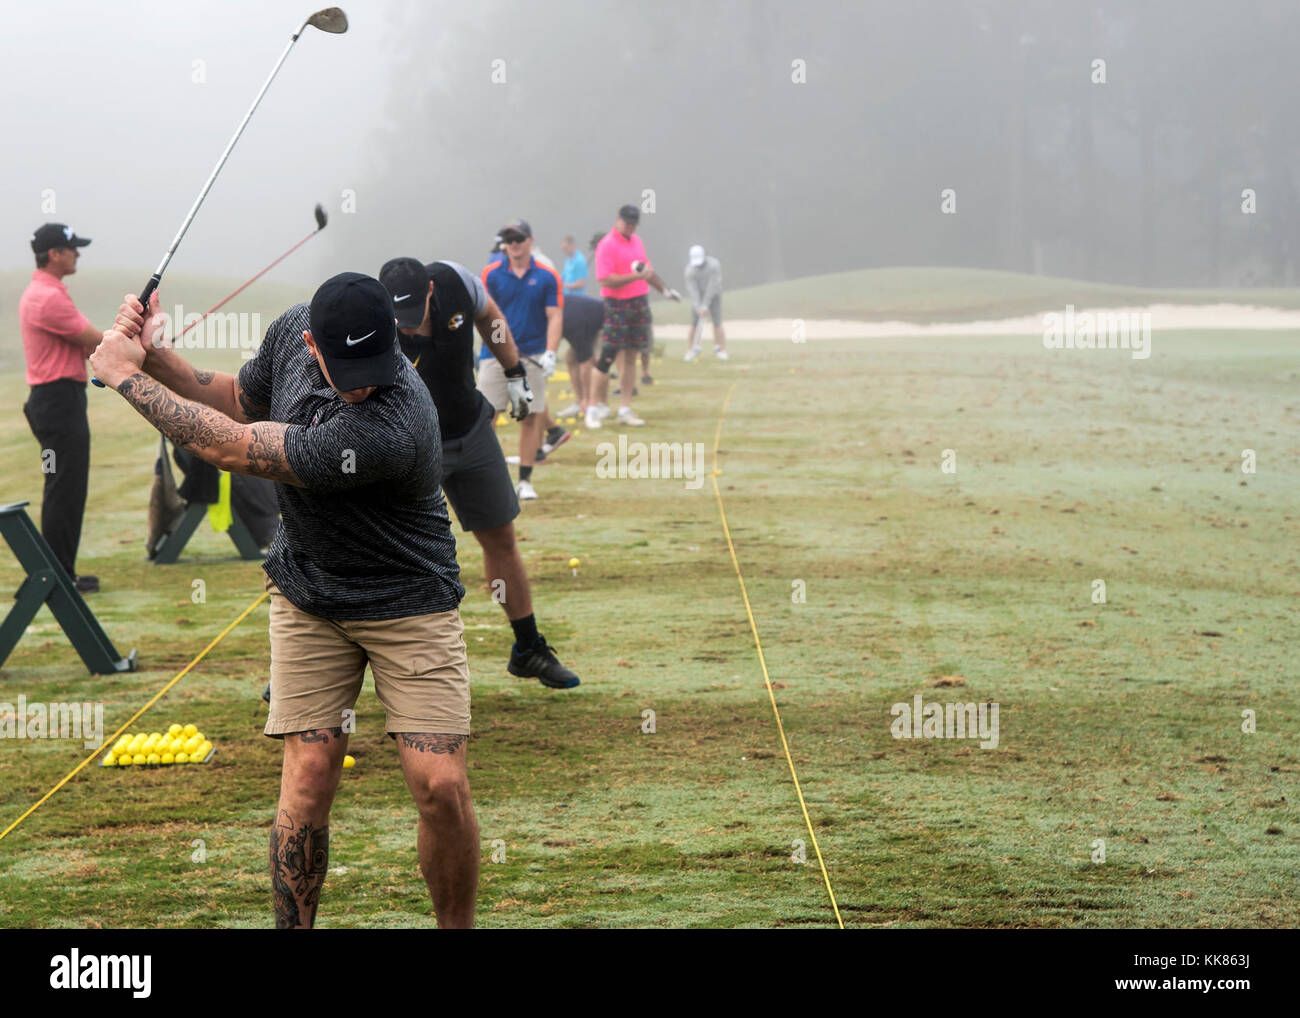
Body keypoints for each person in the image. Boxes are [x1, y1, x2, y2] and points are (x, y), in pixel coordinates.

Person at [93, 273, 480, 929]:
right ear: (310, 343)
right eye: (347, 370)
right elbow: (236, 402)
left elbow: (229, 446)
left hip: (408, 596)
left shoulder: (392, 422)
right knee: (308, 778)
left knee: (439, 786)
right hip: (309, 591)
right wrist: (154, 355)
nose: (362, 383)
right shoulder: (290, 334)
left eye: (376, 366)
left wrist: (127, 378)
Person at [380, 256, 580, 689]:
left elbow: (490, 316)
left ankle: (528, 648)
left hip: (470, 430)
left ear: (431, 291)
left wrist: (514, 373)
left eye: (415, 315)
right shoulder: (376, 320)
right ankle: (312, 665)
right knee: (382, 549)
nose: (409, 328)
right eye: (402, 320)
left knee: (501, 538)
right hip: (411, 444)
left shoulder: (455, 283)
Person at [18, 223, 106, 592]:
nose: (77, 254)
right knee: (63, 488)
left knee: (66, 487)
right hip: (57, 402)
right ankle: (56, 576)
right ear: (54, 253)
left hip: (58, 401)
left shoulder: (49, 293)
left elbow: (86, 345)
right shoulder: (47, 298)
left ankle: (60, 572)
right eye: (72, 248)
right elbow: (94, 340)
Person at [478, 219, 565, 498]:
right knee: (487, 415)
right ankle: (489, 478)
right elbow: (482, 315)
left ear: (530, 241)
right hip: (494, 355)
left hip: (534, 354)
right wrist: (505, 346)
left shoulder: (547, 276)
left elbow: (554, 316)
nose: (513, 244)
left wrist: (551, 351)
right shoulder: (491, 274)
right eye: (509, 240)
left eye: (518, 239)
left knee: (530, 418)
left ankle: (525, 480)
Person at [586, 205, 679, 429]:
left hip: (639, 302)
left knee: (631, 357)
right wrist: (635, 276)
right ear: (618, 219)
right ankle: (592, 407)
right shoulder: (607, 244)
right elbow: (605, 279)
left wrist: (664, 290)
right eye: (626, 222)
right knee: (607, 356)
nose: (629, 226)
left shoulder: (636, 241)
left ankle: (625, 408)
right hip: (617, 305)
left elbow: (646, 271)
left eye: (633, 223)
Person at [554, 293, 604, 420]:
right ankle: (579, 402)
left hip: (602, 323)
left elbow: (586, 362)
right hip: (583, 319)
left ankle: (593, 403)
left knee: (593, 361)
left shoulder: (571, 320)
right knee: (570, 358)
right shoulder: (553, 313)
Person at [684, 244, 727, 361]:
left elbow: (713, 285)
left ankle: (721, 350)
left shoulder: (714, 265)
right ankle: (691, 350)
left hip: (714, 295)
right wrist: (698, 307)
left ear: (704, 256)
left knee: (717, 322)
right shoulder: (689, 270)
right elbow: (692, 290)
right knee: (694, 323)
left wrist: (705, 305)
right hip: (698, 297)